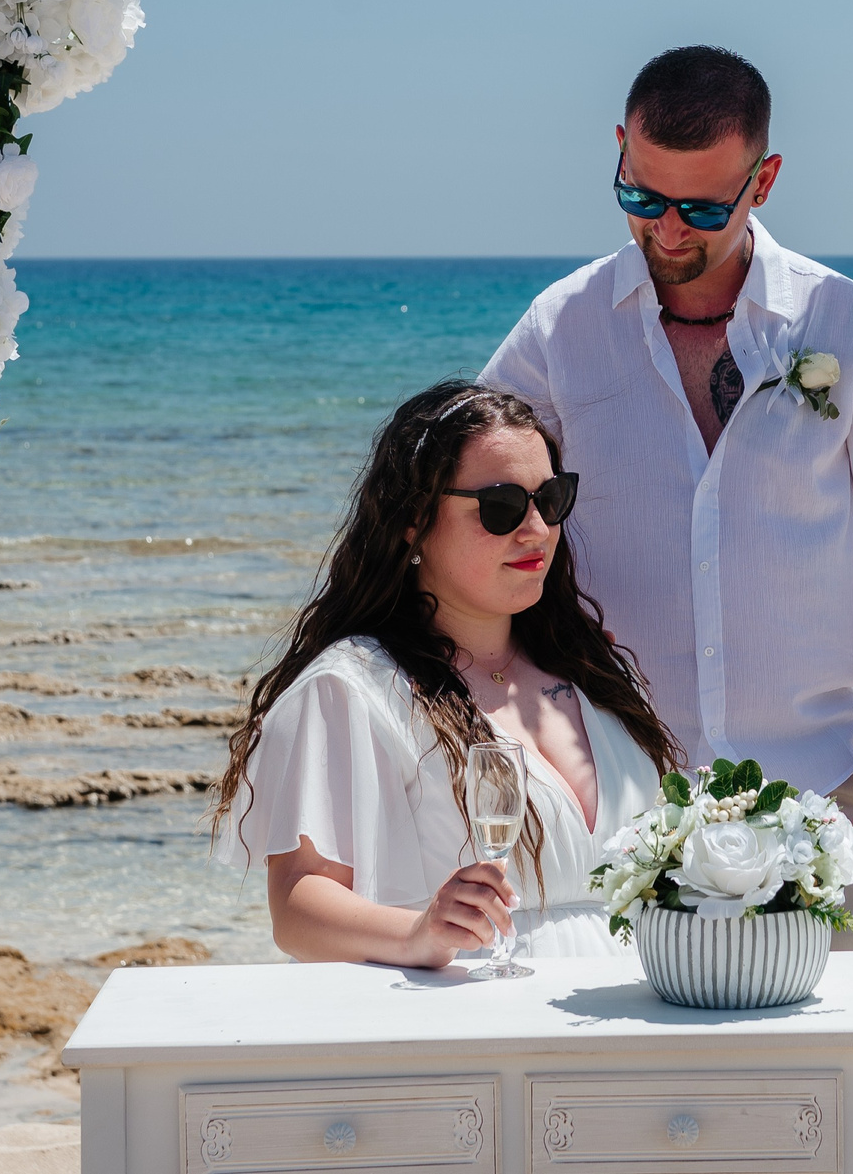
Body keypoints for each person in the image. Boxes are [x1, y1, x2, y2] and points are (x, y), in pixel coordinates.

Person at [482, 46, 853, 947]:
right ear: (621, 150)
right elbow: (475, 504)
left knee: (817, 1082)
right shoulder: (560, 329)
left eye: (702, 207)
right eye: (640, 197)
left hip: (813, 807)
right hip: (613, 804)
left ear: (765, 180)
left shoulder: (850, 329)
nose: (667, 231)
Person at [211, 380, 683, 966]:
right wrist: (419, 933)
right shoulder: (352, 690)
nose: (536, 528)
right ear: (413, 520)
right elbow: (297, 909)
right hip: (473, 1029)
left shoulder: (598, 674)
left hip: (640, 1023)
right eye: (502, 506)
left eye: (552, 498)